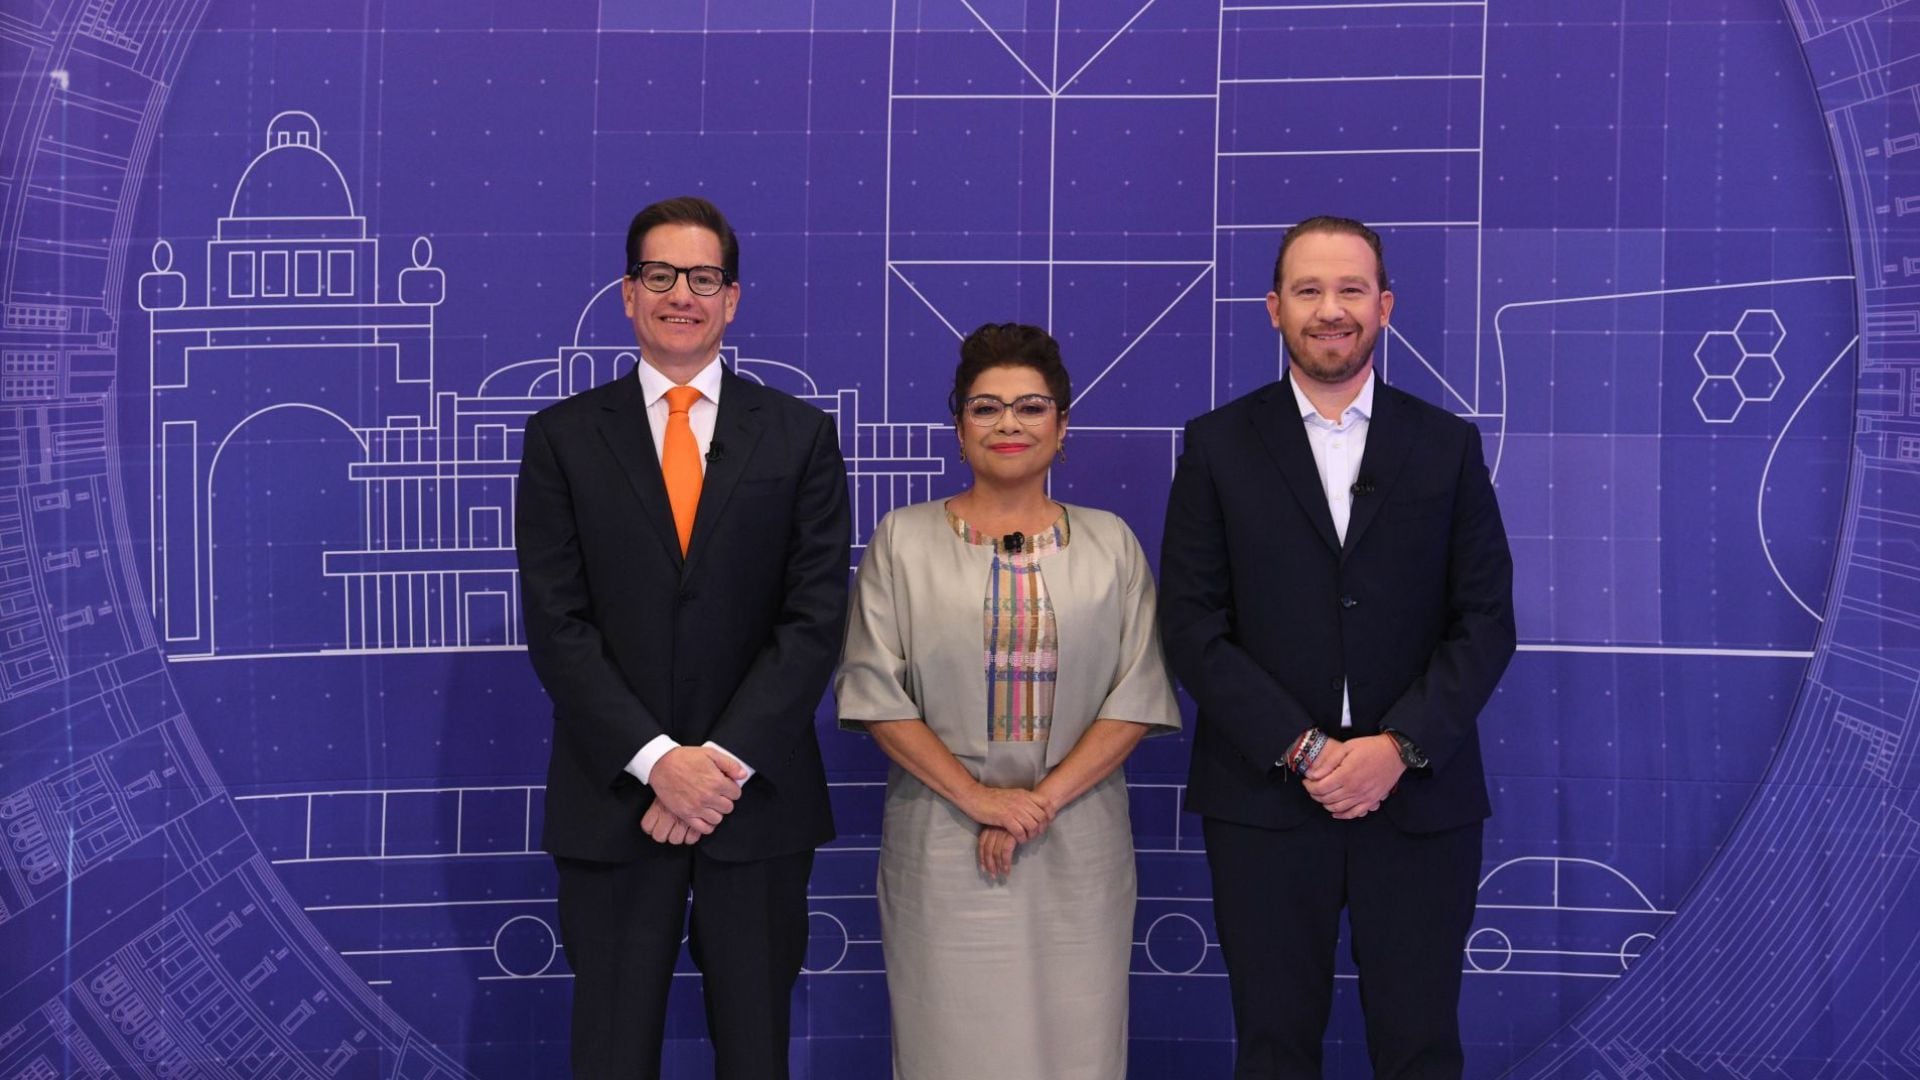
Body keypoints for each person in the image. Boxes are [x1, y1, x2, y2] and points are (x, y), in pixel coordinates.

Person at [1158, 216, 1515, 1078]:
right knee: (1274, 1046)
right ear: (1273, 308)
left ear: (1385, 307)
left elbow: (1486, 621)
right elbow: (1193, 628)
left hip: (1419, 799)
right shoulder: (1216, 446)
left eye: (1351, 289)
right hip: (1266, 802)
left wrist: (1397, 748)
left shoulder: (1446, 444)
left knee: (1420, 1045)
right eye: (1309, 291)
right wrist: (1310, 749)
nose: (1331, 310)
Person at [515, 195, 850, 1079]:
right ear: (629, 294)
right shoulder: (561, 440)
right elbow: (557, 625)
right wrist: (659, 759)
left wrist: (717, 765)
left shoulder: (799, 436)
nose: (682, 295)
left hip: (757, 807)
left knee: (756, 1055)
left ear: (732, 299)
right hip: (614, 801)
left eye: (704, 278)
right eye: (660, 275)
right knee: (612, 1055)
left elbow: (814, 621)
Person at [835, 323, 1181, 1080]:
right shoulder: (902, 541)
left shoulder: (1111, 542)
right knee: (948, 1046)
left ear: (1063, 425)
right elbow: (873, 692)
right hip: (940, 838)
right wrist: (980, 800)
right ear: (958, 425)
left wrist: (1037, 802)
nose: (1009, 425)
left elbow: (1137, 691)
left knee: (1078, 1046)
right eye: (986, 408)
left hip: (1078, 841)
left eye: (1031, 407)